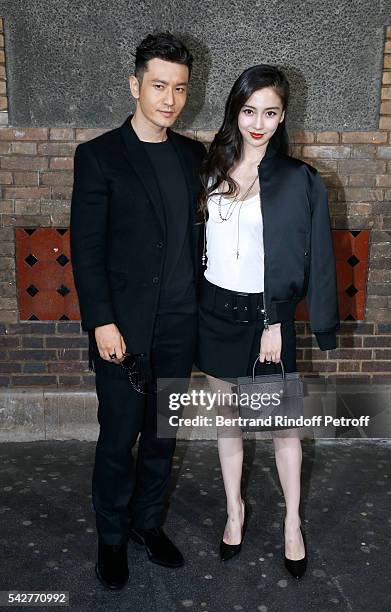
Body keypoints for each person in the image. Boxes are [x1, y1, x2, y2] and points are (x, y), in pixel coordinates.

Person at [70, 32, 206, 590]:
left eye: (178, 88)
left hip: (180, 322)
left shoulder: (193, 155)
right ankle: (110, 538)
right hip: (122, 328)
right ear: (135, 85)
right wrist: (101, 319)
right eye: (158, 85)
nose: (169, 99)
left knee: (163, 434)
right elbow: (87, 246)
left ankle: (148, 526)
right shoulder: (99, 155)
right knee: (118, 435)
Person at [196, 64, 339, 579]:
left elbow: (305, 258)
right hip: (215, 313)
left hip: (266, 320)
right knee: (227, 421)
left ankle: (292, 524)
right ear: (236, 111)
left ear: (282, 117)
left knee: (283, 430)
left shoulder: (298, 179)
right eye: (250, 110)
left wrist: (277, 322)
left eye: (270, 112)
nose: (259, 122)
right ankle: (235, 512)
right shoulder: (210, 167)